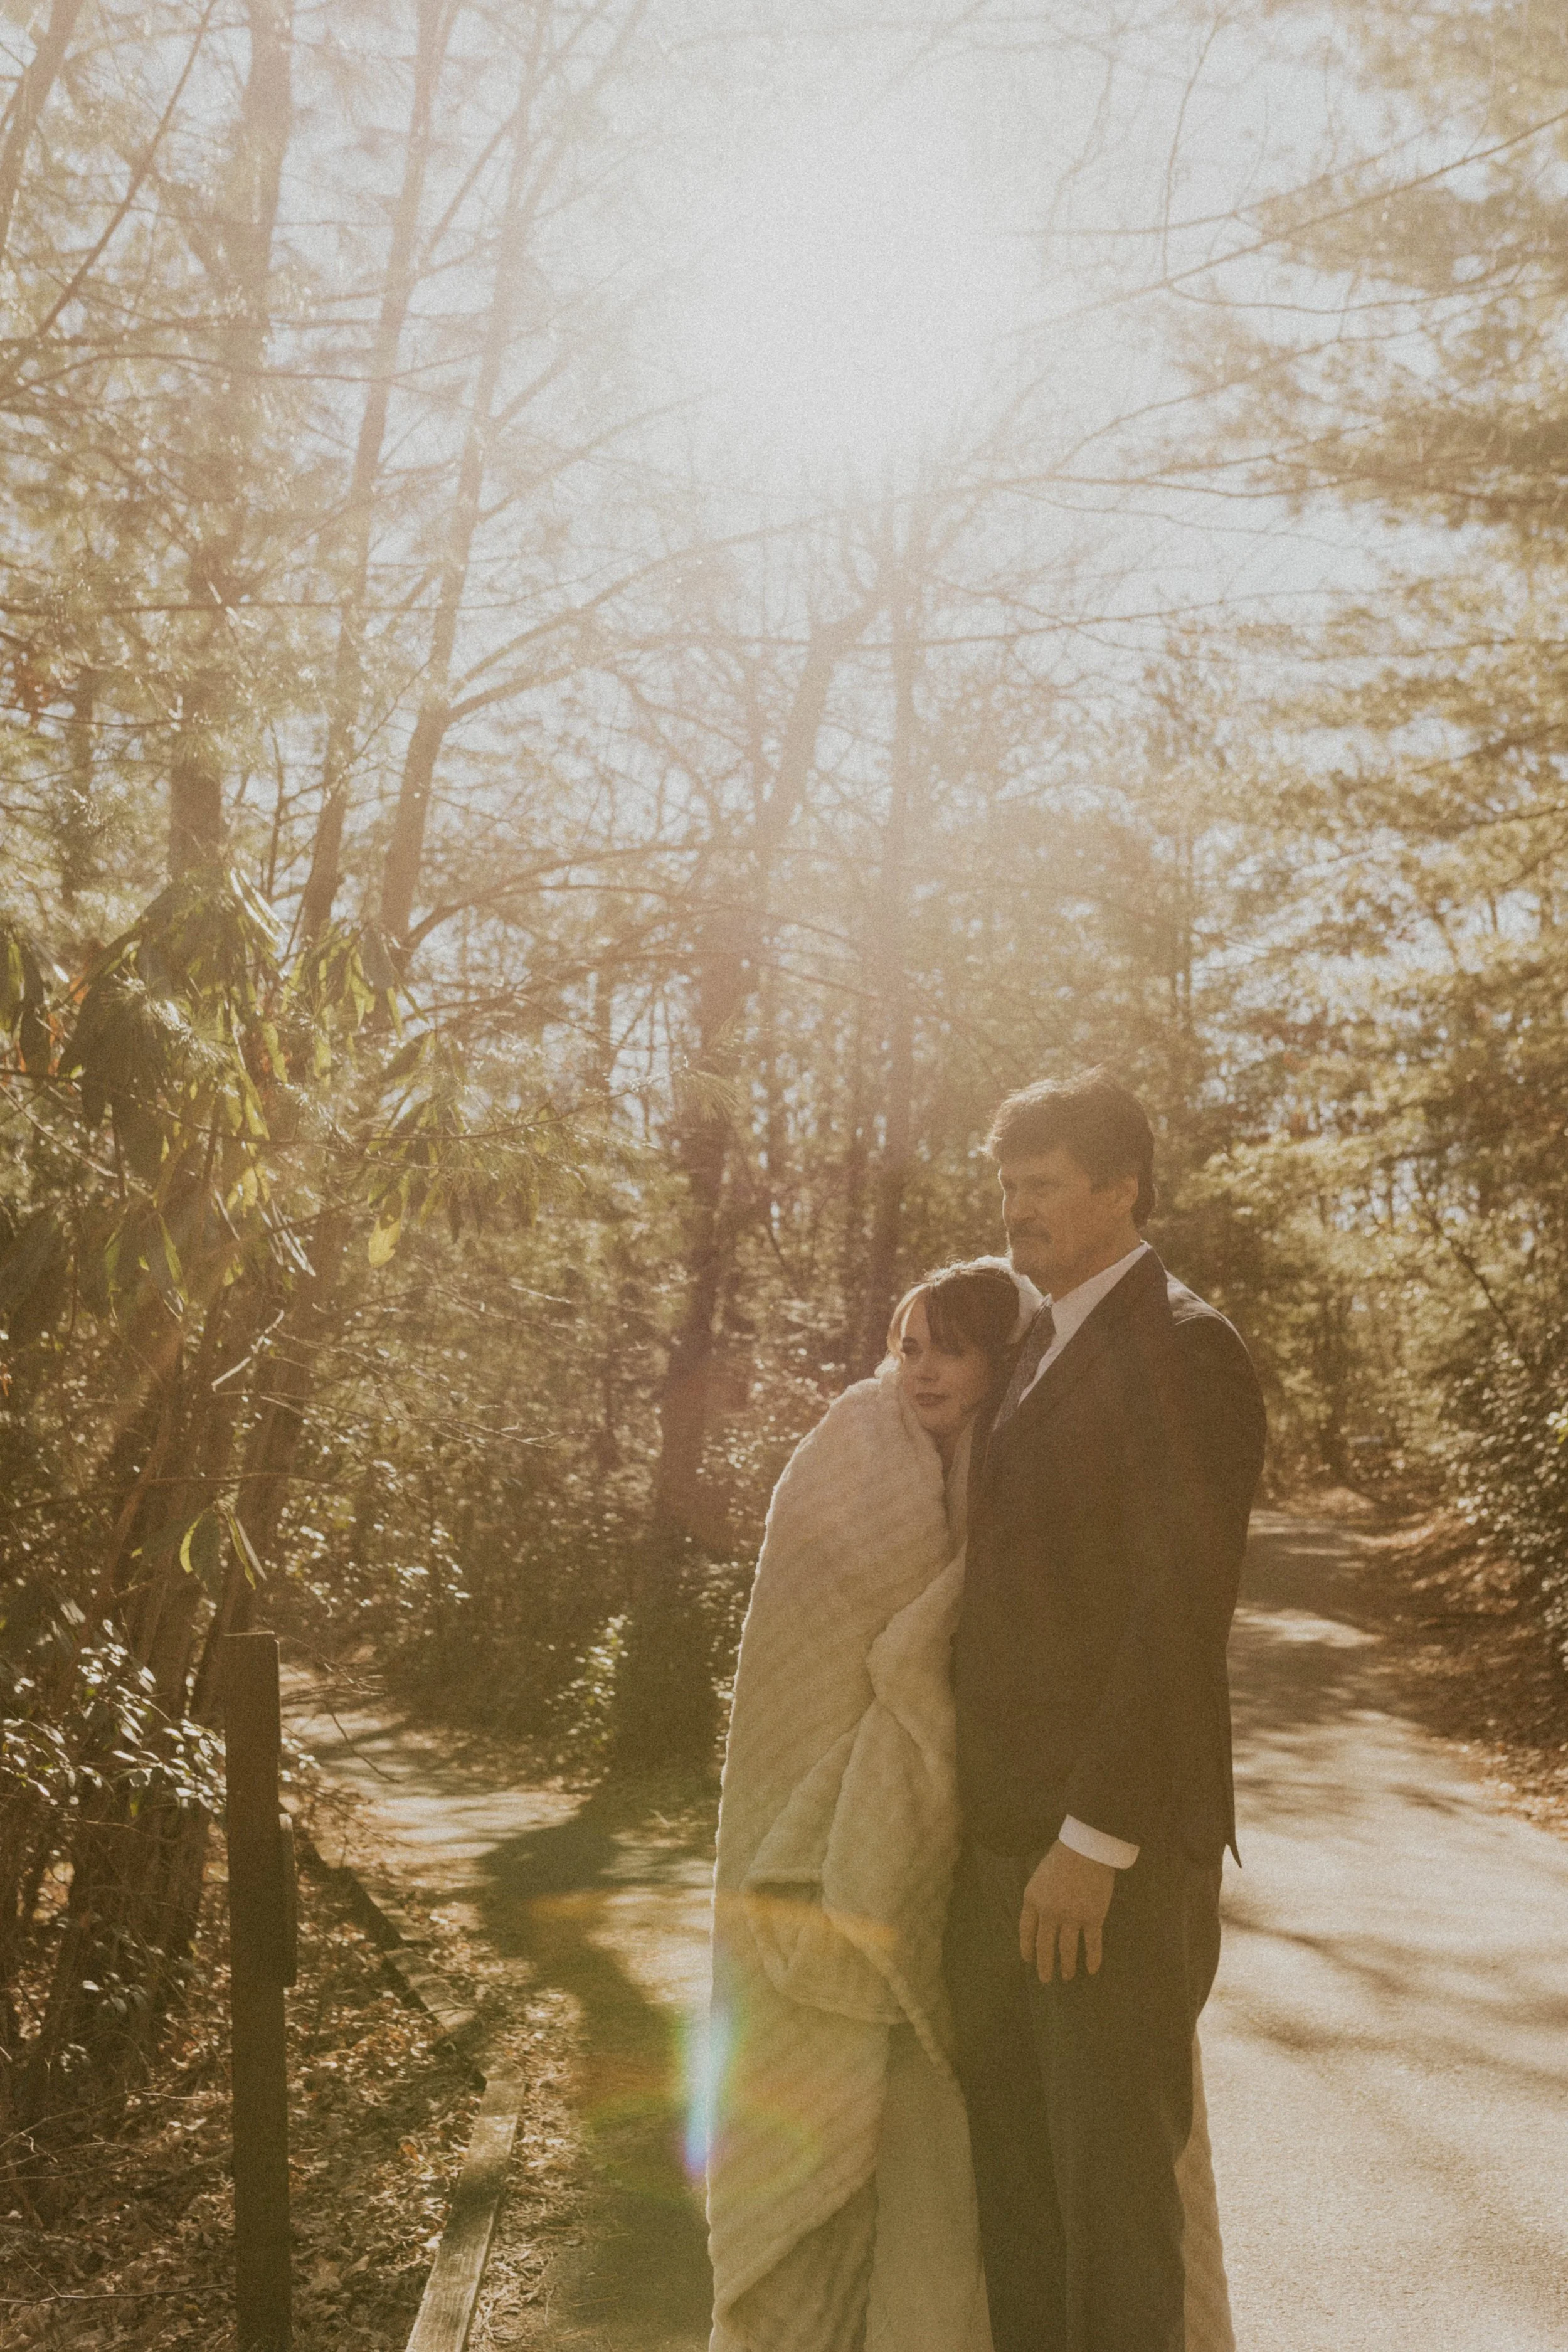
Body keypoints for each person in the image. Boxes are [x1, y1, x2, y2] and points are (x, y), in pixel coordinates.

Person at [705, 1249, 1237, 2352]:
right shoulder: (861, 1455)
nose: (922, 1370)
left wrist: (1083, 1833)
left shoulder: (1054, 1439)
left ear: (1011, 1361)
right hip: (902, 1845)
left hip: (1028, 1847)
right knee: (980, 2163)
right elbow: (805, 1656)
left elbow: (1153, 1621)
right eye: (908, 1345)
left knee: (1091, 2166)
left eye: (951, 1347)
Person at [948, 1071, 1266, 2352]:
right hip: (992, 1849)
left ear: (1119, 1190)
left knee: (1111, 2205)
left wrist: (1091, 1843)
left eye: (1040, 1186)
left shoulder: (1188, 1351)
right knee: (1016, 2197)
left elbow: (1173, 1616)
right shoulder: (1028, 1338)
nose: (1013, 1210)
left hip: (1101, 1868)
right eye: (1005, 1184)